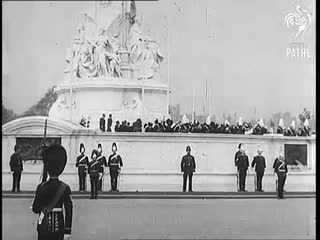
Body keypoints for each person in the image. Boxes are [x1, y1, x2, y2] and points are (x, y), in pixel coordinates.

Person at [32, 144, 73, 240]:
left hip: (43, 226)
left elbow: (35, 209)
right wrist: (68, 230)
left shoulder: (41, 187)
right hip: (59, 227)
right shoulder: (65, 188)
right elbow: (69, 211)